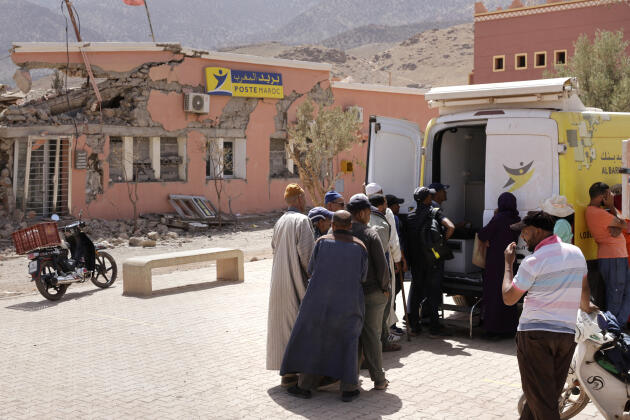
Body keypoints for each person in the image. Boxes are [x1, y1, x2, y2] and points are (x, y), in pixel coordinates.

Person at [502, 211, 596, 420]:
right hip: (565, 335)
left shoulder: (533, 261)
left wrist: (508, 264)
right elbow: (584, 292)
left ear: (536, 230)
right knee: (544, 394)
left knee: (543, 401)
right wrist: (586, 308)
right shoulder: (576, 253)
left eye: (524, 233)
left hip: (535, 336)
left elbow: (509, 298)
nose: (523, 238)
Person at [281, 210, 367, 402]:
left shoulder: (321, 243)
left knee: (314, 340)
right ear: (350, 226)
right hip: (349, 303)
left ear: (333, 225)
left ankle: (305, 387)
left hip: (319, 302)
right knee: (349, 342)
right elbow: (363, 276)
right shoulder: (360, 246)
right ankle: (349, 389)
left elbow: (311, 270)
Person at [266, 183, 315, 387]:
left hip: (279, 281)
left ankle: (287, 373)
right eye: (304, 198)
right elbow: (308, 256)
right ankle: (298, 372)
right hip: (295, 281)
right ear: (299, 199)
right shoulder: (302, 221)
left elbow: (274, 248)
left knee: (283, 328)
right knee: (298, 326)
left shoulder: (280, 221)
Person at [348, 193, 390, 390]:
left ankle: (351, 379)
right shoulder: (370, 233)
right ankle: (379, 380)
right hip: (373, 292)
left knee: (353, 336)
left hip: (350, 293)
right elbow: (382, 266)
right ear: (364, 213)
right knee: (372, 336)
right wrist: (385, 288)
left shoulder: (342, 231)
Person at [405, 186, 455, 338]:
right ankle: (434, 328)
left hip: (416, 261)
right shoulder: (434, 212)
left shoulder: (410, 216)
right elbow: (450, 227)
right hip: (432, 260)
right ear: (428, 198)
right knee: (433, 293)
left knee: (416, 293)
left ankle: (414, 327)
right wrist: (441, 243)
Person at [477, 192, 521, 339]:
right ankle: (509, 328)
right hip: (510, 260)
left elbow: (483, 234)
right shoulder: (517, 219)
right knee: (509, 294)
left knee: (494, 295)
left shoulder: (499, 219)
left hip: (495, 263)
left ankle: (494, 329)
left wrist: (494, 216)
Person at [585, 182, 630, 324]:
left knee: (623, 293)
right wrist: (611, 207)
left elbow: (620, 226)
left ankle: (616, 327)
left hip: (616, 257)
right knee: (616, 296)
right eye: (610, 194)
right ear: (603, 196)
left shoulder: (599, 212)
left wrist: (617, 224)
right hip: (614, 257)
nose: (612, 197)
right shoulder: (597, 212)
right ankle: (611, 331)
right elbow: (627, 226)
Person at [365, 183, 404, 338]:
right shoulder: (386, 213)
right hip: (385, 259)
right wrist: (398, 259)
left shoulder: (363, 210)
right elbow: (393, 238)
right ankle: (386, 331)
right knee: (387, 295)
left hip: (367, 263)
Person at [386, 194, 407, 335]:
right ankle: (391, 325)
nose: (399, 207)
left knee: (393, 293)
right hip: (394, 261)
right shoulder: (393, 219)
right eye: (396, 204)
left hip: (391, 261)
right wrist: (401, 261)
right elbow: (396, 243)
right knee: (393, 293)